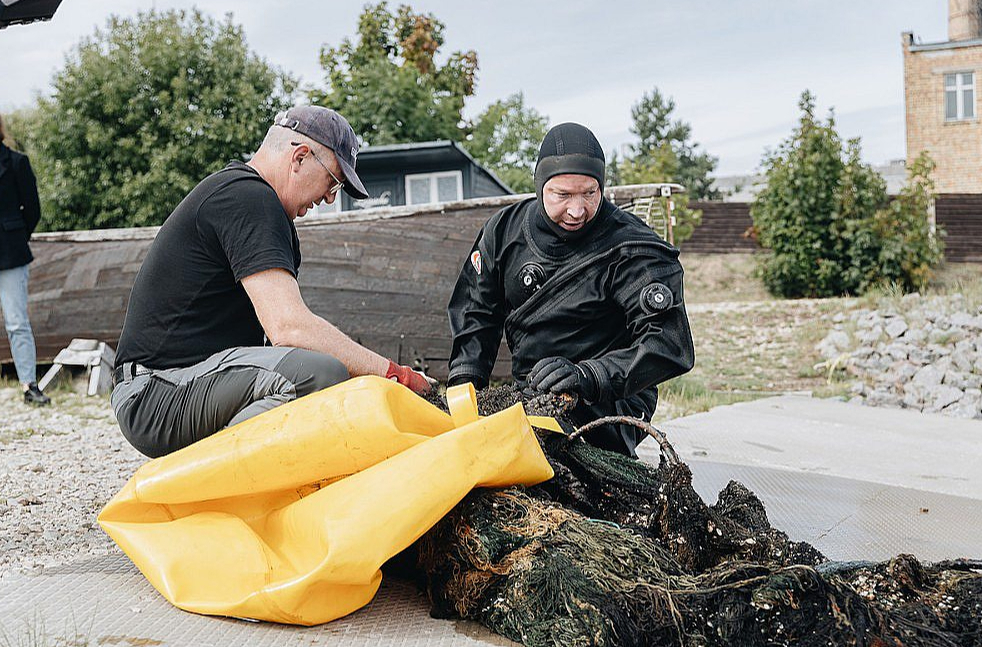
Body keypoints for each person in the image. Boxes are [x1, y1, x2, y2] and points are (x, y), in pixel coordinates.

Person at [112, 105, 430, 458]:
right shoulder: (248, 198)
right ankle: (211, 483)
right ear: (299, 157)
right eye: (334, 181)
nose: (329, 197)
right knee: (318, 374)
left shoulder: (250, 201)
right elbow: (290, 329)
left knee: (316, 375)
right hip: (158, 394)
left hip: (176, 388)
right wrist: (395, 374)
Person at [447, 122, 695, 457]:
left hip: (610, 400)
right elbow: (476, 315)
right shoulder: (503, 232)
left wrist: (589, 376)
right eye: (562, 195)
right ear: (540, 187)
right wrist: (465, 388)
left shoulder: (633, 247)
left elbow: (668, 344)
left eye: (590, 194)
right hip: (532, 393)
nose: (577, 211)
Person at [0, 115, 50, 407]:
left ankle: (30, 385)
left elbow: (32, 209)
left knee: (17, 322)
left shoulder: (17, 162)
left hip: (11, 253)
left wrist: (15, 237)